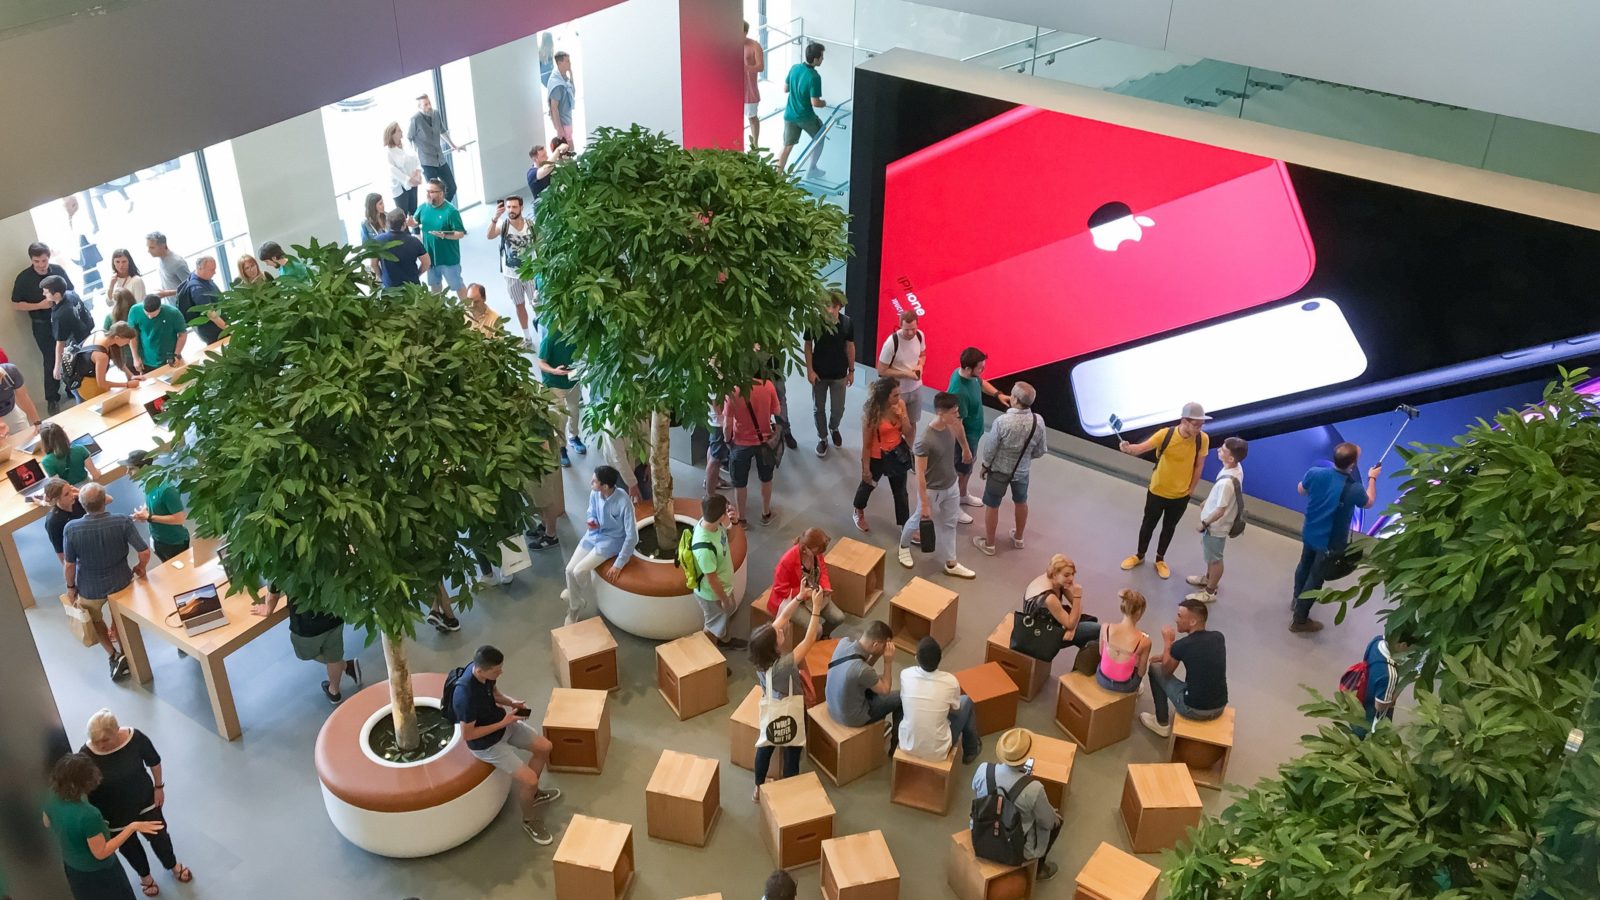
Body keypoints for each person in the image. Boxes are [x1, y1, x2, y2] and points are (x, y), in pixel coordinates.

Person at [450, 645, 560, 845]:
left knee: (545, 747)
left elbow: (494, 693)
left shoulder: (483, 673)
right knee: (529, 780)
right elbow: (468, 734)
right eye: (496, 670)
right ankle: (529, 820)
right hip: (487, 745)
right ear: (480, 669)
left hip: (504, 724)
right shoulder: (464, 696)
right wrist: (504, 722)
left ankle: (533, 795)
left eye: (500, 668)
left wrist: (512, 702)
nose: (500, 672)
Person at [80, 710, 192, 896]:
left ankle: (172, 864)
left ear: (116, 732)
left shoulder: (135, 738)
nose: (101, 745)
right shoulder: (86, 754)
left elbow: (154, 762)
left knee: (160, 837)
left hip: (144, 800)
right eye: (96, 741)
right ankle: (145, 877)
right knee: (129, 848)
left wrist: (159, 787)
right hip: (112, 813)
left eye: (105, 741)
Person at [43, 752, 164, 900]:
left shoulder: (51, 795)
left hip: (73, 868)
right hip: (99, 872)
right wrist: (132, 827)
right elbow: (101, 852)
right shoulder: (88, 815)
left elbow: (47, 822)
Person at [1292, 442, 1381, 633]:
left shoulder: (1315, 473)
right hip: (1330, 542)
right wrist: (1372, 479)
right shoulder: (1354, 489)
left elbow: (1301, 489)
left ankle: (1296, 599)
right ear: (1353, 464)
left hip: (1310, 531)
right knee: (1316, 578)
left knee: (1304, 565)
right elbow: (1369, 503)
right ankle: (1299, 619)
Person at [1119, 402, 1212, 580]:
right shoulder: (1166, 434)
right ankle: (1139, 555)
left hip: (1180, 496)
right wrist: (1128, 448)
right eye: (1196, 424)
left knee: (1169, 528)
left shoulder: (1203, 439)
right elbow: (1140, 448)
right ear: (1184, 421)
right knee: (1148, 525)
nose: (1199, 428)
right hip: (1157, 490)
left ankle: (1160, 559)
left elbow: (1199, 465)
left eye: (1202, 425)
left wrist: (1190, 490)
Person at [63, 484, 146, 681]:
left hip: (90, 587)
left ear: (82, 504)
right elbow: (144, 551)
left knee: (94, 619)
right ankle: (127, 648)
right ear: (105, 500)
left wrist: (70, 587)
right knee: (122, 614)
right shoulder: (122, 521)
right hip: (122, 581)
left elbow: (69, 565)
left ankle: (113, 655)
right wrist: (140, 567)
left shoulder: (71, 529)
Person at [748, 596, 821, 801]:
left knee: (765, 747)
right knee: (792, 749)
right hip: (790, 708)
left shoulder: (759, 654)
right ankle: (790, 786)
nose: (781, 630)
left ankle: (758, 787)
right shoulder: (785, 665)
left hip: (772, 706)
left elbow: (784, 616)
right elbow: (809, 639)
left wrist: (799, 597)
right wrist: (815, 608)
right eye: (779, 633)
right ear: (774, 647)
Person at [898, 392, 975, 579]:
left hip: (951, 485)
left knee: (950, 524)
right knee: (918, 518)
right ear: (941, 413)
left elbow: (959, 429)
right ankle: (903, 546)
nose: (957, 415)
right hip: (932, 490)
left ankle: (951, 563)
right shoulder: (925, 440)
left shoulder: (951, 424)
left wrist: (965, 447)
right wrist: (924, 502)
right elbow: (920, 474)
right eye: (954, 412)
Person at [970, 729, 1062, 881]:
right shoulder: (1034, 788)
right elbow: (1048, 822)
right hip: (1015, 847)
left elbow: (975, 790)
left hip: (981, 834)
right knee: (1056, 820)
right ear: (1028, 758)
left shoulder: (983, 769)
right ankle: (1038, 868)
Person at [251, 585, 362, 704]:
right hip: (335, 611)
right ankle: (334, 691)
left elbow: (274, 587)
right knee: (333, 655)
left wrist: (268, 608)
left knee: (304, 652)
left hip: (308, 624)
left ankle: (346, 667)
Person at [973, 382, 1046, 555]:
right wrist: (1025, 459)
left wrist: (985, 465)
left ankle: (990, 544)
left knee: (992, 505)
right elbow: (1040, 450)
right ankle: (1019, 538)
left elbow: (990, 448)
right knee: (1021, 501)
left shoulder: (1003, 421)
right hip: (1022, 472)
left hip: (998, 471)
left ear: (1015, 399)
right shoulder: (1038, 421)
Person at [561, 466, 637, 626]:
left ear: (605, 486)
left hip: (611, 542)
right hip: (593, 536)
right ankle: (576, 604)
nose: (590, 482)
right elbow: (591, 511)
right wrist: (592, 520)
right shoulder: (595, 493)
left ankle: (574, 602)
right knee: (569, 570)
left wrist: (619, 564)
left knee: (579, 571)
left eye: (594, 481)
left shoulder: (624, 502)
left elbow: (632, 536)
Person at [1141, 598, 1227, 737]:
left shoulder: (1182, 645)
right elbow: (1199, 656)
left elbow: (1165, 671)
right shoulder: (1218, 637)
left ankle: (1161, 723)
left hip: (1193, 709)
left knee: (1155, 668)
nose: (1176, 619)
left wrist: (1168, 642)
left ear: (1193, 621)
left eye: (1180, 616)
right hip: (1219, 706)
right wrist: (1167, 654)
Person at [900, 636, 982, 764]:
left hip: (907, 744)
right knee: (966, 701)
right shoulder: (950, 681)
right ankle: (971, 751)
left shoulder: (905, 674)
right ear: (940, 659)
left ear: (916, 658)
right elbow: (955, 709)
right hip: (938, 751)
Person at [12, 242, 73, 412]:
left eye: (44, 261)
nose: (41, 265)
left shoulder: (58, 271)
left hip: (63, 321)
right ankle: (53, 398)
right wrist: (39, 305)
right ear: (31, 259)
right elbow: (16, 304)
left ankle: (72, 387)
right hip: (42, 325)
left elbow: (71, 291)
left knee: (70, 355)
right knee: (50, 360)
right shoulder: (24, 278)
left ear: (49, 258)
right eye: (37, 261)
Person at [1186, 437, 1249, 604]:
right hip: (1216, 523)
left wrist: (1204, 523)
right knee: (1211, 556)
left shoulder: (1227, 483)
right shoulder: (1236, 469)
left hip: (1216, 527)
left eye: (1223, 450)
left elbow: (1220, 510)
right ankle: (1208, 578)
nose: (1218, 451)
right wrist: (1208, 502)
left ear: (1231, 458)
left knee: (1215, 559)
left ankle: (1210, 591)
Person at [949, 347, 1009, 515]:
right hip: (964, 439)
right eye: (980, 368)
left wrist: (998, 394)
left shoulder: (971, 377)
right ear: (968, 369)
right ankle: (954, 507)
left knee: (967, 469)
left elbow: (981, 383)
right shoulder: (959, 392)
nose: (982, 371)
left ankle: (962, 495)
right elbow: (957, 424)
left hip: (973, 435)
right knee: (961, 471)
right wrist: (966, 449)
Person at [825, 620, 902, 744]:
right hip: (851, 717)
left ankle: (877, 729)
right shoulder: (863, 670)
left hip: (832, 705)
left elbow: (861, 672)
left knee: (877, 680)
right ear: (876, 644)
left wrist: (876, 655)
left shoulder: (843, 643)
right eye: (884, 646)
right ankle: (895, 744)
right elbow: (885, 689)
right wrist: (888, 662)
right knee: (900, 697)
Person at [853, 377, 912, 533]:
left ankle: (905, 524)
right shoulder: (872, 415)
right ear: (885, 396)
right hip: (877, 457)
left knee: (900, 492)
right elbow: (866, 445)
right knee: (868, 485)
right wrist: (865, 469)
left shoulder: (900, 406)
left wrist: (903, 417)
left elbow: (908, 432)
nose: (899, 398)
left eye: (899, 394)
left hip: (897, 454)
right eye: (895, 395)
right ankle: (858, 509)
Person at [764, 527, 846, 637]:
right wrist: (804, 593)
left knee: (839, 618)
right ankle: (810, 647)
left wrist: (825, 587)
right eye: (816, 552)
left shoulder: (816, 553)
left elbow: (823, 570)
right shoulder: (787, 561)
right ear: (805, 548)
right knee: (816, 629)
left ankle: (822, 638)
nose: (819, 554)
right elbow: (780, 589)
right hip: (792, 601)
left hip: (812, 595)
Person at [722, 375, 782, 525]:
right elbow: (777, 411)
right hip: (764, 442)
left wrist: (728, 440)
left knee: (740, 483)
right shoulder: (767, 385)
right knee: (766, 478)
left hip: (740, 443)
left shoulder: (734, 391)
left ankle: (741, 519)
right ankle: (766, 513)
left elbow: (727, 424)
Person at [690, 494, 746, 651]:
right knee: (711, 628)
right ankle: (710, 661)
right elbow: (712, 579)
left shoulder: (713, 525)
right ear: (722, 516)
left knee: (722, 620)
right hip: (712, 595)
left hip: (723, 589)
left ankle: (725, 641)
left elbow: (727, 538)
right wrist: (724, 599)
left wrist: (734, 522)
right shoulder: (704, 547)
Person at [804, 290, 854, 457]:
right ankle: (823, 438)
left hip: (840, 374)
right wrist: (810, 370)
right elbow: (808, 345)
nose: (831, 310)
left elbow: (850, 347)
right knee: (819, 408)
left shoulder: (846, 323)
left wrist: (851, 370)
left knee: (838, 408)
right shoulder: (813, 322)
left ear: (840, 306)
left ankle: (834, 427)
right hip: (819, 374)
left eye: (834, 306)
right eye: (827, 306)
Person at [1023, 554, 1099, 654]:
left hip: (1051, 620)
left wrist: (1072, 630)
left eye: (1073, 574)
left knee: (1091, 627)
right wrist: (1077, 596)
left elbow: (1078, 607)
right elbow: (1071, 622)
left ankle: (1083, 659)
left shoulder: (1057, 581)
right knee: (1099, 631)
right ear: (1054, 574)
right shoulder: (1049, 597)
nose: (1071, 578)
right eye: (1067, 575)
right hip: (1041, 633)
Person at [486, 195, 537, 342]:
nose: (511, 210)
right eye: (508, 207)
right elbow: (489, 235)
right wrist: (495, 218)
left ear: (521, 207)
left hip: (530, 273)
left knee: (537, 305)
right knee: (519, 305)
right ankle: (527, 336)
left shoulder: (530, 224)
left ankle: (542, 332)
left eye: (514, 207)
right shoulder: (503, 225)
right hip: (511, 275)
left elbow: (539, 243)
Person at [126, 451, 188, 562]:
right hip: (158, 539)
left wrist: (149, 517)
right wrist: (144, 510)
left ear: (144, 467)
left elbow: (180, 519)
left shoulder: (166, 489)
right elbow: (153, 500)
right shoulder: (147, 482)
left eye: (131, 469)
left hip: (174, 543)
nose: (127, 472)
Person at [536, 322, 582, 467]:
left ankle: (573, 437)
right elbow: (541, 362)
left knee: (574, 412)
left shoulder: (578, 332)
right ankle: (561, 448)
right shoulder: (550, 337)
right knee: (559, 418)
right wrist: (554, 371)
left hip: (573, 381)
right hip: (554, 384)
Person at [776, 42, 826, 176]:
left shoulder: (794, 68)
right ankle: (812, 169)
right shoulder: (814, 77)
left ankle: (776, 176)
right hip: (806, 117)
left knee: (786, 147)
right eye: (821, 57)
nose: (823, 59)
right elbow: (815, 102)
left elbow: (786, 89)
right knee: (820, 138)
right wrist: (824, 103)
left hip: (790, 115)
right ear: (815, 59)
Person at [43, 274, 94, 392]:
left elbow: (60, 342)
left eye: (46, 292)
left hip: (76, 349)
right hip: (88, 338)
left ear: (56, 294)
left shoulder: (60, 315)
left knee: (78, 383)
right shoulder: (72, 294)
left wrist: (57, 366)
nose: (43, 294)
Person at [876, 309, 926, 429]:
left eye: (913, 329)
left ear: (917, 325)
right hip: (897, 392)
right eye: (906, 330)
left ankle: (908, 448)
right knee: (894, 425)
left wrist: (920, 365)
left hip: (916, 389)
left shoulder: (919, 335)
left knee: (912, 423)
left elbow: (923, 354)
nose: (910, 333)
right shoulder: (892, 342)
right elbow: (881, 370)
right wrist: (907, 374)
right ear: (900, 326)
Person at [1095, 589, 1151, 694]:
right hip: (1125, 686)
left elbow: (1101, 653)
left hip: (1102, 679)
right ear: (1140, 612)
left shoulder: (1106, 627)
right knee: (1136, 664)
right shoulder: (1144, 641)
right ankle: (1136, 691)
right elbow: (1141, 672)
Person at [416, 179, 467, 297]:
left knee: (457, 286)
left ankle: (468, 312)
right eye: (427, 191)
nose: (428, 194)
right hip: (431, 257)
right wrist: (410, 222)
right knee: (435, 285)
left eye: (431, 191)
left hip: (448, 259)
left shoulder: (451, 211)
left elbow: (460, 233)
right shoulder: (423, 207)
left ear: (441, 193)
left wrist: (445, 235)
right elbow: (415, 221)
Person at [409, 94, 463, 203]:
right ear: (420, 107)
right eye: (425, 104)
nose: (429, 106)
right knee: (434, 193)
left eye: (429, 103)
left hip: (440, 159)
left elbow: (443, 131)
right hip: (427, 162)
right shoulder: (415, 119)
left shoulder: (436, 114)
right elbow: (410, 138)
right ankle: (438, 212)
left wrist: (453, 145)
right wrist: (416, 154)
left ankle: (443, 208)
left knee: (452, 187)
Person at [72, 325, 144, 399]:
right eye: (127, 341)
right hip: (86, 384)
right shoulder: (102, 356)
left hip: (79, 374)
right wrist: (127, 384)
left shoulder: (102, 333)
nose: (128, 343)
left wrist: (131, 376)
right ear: (117, 338)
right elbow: (102, 383)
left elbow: (116, 358)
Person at [126, 296, 187, 374]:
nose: (150, 317)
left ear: (160, 308)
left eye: (153, 315)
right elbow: (132, 336)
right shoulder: (135, 310)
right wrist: (135, 358)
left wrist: (176, 354)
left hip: (169, 357)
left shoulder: (173, 313)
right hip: (146, 359)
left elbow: (182, 334)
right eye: (147, 314)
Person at [174, 257, 225, 345]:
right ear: (200, 268)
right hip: (214, 330)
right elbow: (212, 315)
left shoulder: (199, 277)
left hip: (219, 323)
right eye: (211, 270)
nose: (214, 272)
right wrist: (228, 329)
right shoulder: (197, 289)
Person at [374, 208, 430, 288]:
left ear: (387, 224)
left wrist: (382, 277)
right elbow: (427, 263)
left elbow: (373, 264)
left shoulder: (378, 241)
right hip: (412, 288)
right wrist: (417, 274)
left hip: (390, 289)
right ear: (404, 224)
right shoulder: (414, 241)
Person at [384, 121, 423, 220]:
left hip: (413, 182)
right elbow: (392, 170)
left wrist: (418, 173)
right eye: (398, 130)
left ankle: (417, 234)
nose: (401, 132)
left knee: (414, 210)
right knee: (402, 216)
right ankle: (406, 235)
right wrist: (408, 180)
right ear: (392, 134)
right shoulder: (388, 151)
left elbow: (416, 158)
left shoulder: (406, 144)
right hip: (400, 188)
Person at [41, 478, 87, 563]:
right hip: (81, 557)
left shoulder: (79, 500)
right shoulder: (53, 521)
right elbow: (61, 553)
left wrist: (82, 494)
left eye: (70, 490)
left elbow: (107, 500)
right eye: (66, 494)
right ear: (56, 499)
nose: (72, 495)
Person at [0, 356, 43, 440]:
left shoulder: (10, 371)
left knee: (27, 439)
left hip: (11, 411)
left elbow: (24, 398)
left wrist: (37, 423)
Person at [144, 233, 190, 299]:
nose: (148, 251)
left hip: (182, 306)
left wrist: (166, 293)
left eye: (152, 247)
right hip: (171, 304)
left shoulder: (177, 263)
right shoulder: (160, 259)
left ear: (163, 245)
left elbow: (191, 287)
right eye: (148, 247)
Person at [743, 21, 765, 149]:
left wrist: (744, 67)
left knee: (752, 117)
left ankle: (755, 144)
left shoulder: (755, 46)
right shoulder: (729, 44)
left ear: (745, 32)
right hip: (733, 89)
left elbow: (761, 67)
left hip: (749, 90)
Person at [546, 52, 577, 144]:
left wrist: (571, 75)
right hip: (564, 123)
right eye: (567, 61)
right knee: (570, 148)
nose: (570, 63)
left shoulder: (564, 78)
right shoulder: (557, 85)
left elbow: (573, 93)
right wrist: (559, 129)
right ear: (559, 63)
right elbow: (554, 108)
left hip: (568, 118)